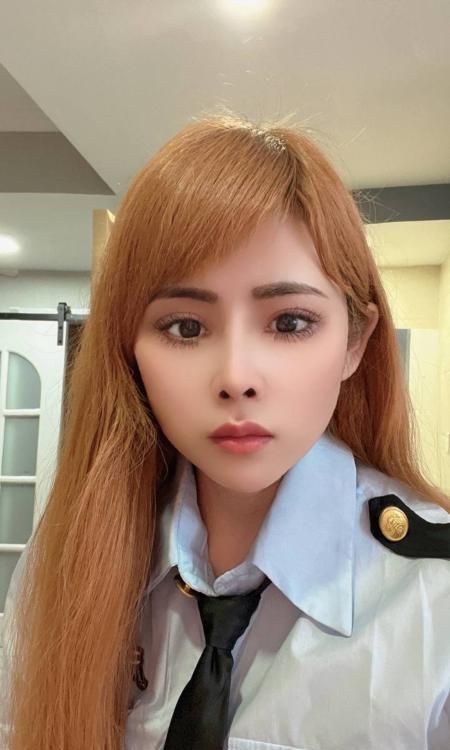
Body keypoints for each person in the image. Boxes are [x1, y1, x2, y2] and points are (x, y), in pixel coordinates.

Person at [1, 114, 449, 750]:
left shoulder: (434, 597)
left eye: (289, 323)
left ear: (355, 342)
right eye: (185, 327)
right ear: (129, 350)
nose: (236, 377)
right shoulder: (63, 568)